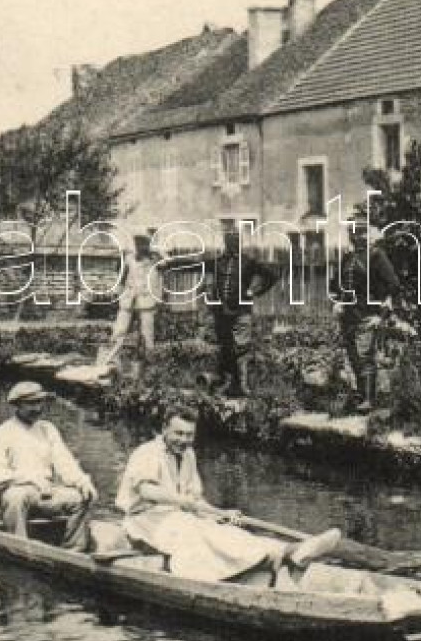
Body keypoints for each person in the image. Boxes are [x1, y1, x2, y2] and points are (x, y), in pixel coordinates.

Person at [115, 411, 341, 584]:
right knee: (198, 533)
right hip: (145, 522)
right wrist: (181, 501)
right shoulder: (146, 453)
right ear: (164, 429)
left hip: (177, 518)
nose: (183, 440)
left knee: (223, 530)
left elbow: (195, 500)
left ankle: (284, 552)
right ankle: (284, 555)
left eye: (189, 434)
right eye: (178, 433)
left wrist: (219, 514)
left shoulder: (188, 455)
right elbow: (146, 491)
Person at [0, 382, 97, 550]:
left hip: (46, 493)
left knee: (80, 498)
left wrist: (82, 482)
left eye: (40, 402)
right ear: (17, 405)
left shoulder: (47, 429)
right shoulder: (2, 433)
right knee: (16, 497)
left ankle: (73, 552)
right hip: (18, 492)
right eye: (30, 403)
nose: (37, 408)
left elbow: (64, 462)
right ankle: (19, 548)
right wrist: (28, 479)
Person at [336, 216, 406, 414]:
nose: (356, 236)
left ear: (366, 234)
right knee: (353, 355)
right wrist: (339, 302)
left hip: (369, 312)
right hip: (349, 314)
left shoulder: (376, 256)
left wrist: (384, 310)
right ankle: (359, 395)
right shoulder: (347, 258)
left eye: (360, 232)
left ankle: (368, 400)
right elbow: (339, 285)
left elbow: (394, 284)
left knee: (365, 354)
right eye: (352, 232)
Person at [204, 221, 279, 397]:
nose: (232, 244)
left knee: (241, 347)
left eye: (235, 241)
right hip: (221, 312)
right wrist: (169, 264)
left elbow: (272, 276)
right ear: (225, 242)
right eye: (229, 241)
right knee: (225, 347)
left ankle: (242, 385)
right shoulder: (217, 262)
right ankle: (227, 383)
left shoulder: (248, 262)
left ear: (239, 243)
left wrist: (255, 291)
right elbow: (193, 264)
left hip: (242, 311)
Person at [99, 234, 166, 369]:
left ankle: (149, 363)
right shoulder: (129, 259)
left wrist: (157, 253)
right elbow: (122, 277)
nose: (140, 249)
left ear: (148, 247)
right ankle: (111, 360)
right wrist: (117, 293)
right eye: (138, 246)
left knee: (147, 332)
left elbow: (166, 264)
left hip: (146, 300)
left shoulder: (154, 261)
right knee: (119, 330)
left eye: (144, 246)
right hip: (128, 299)